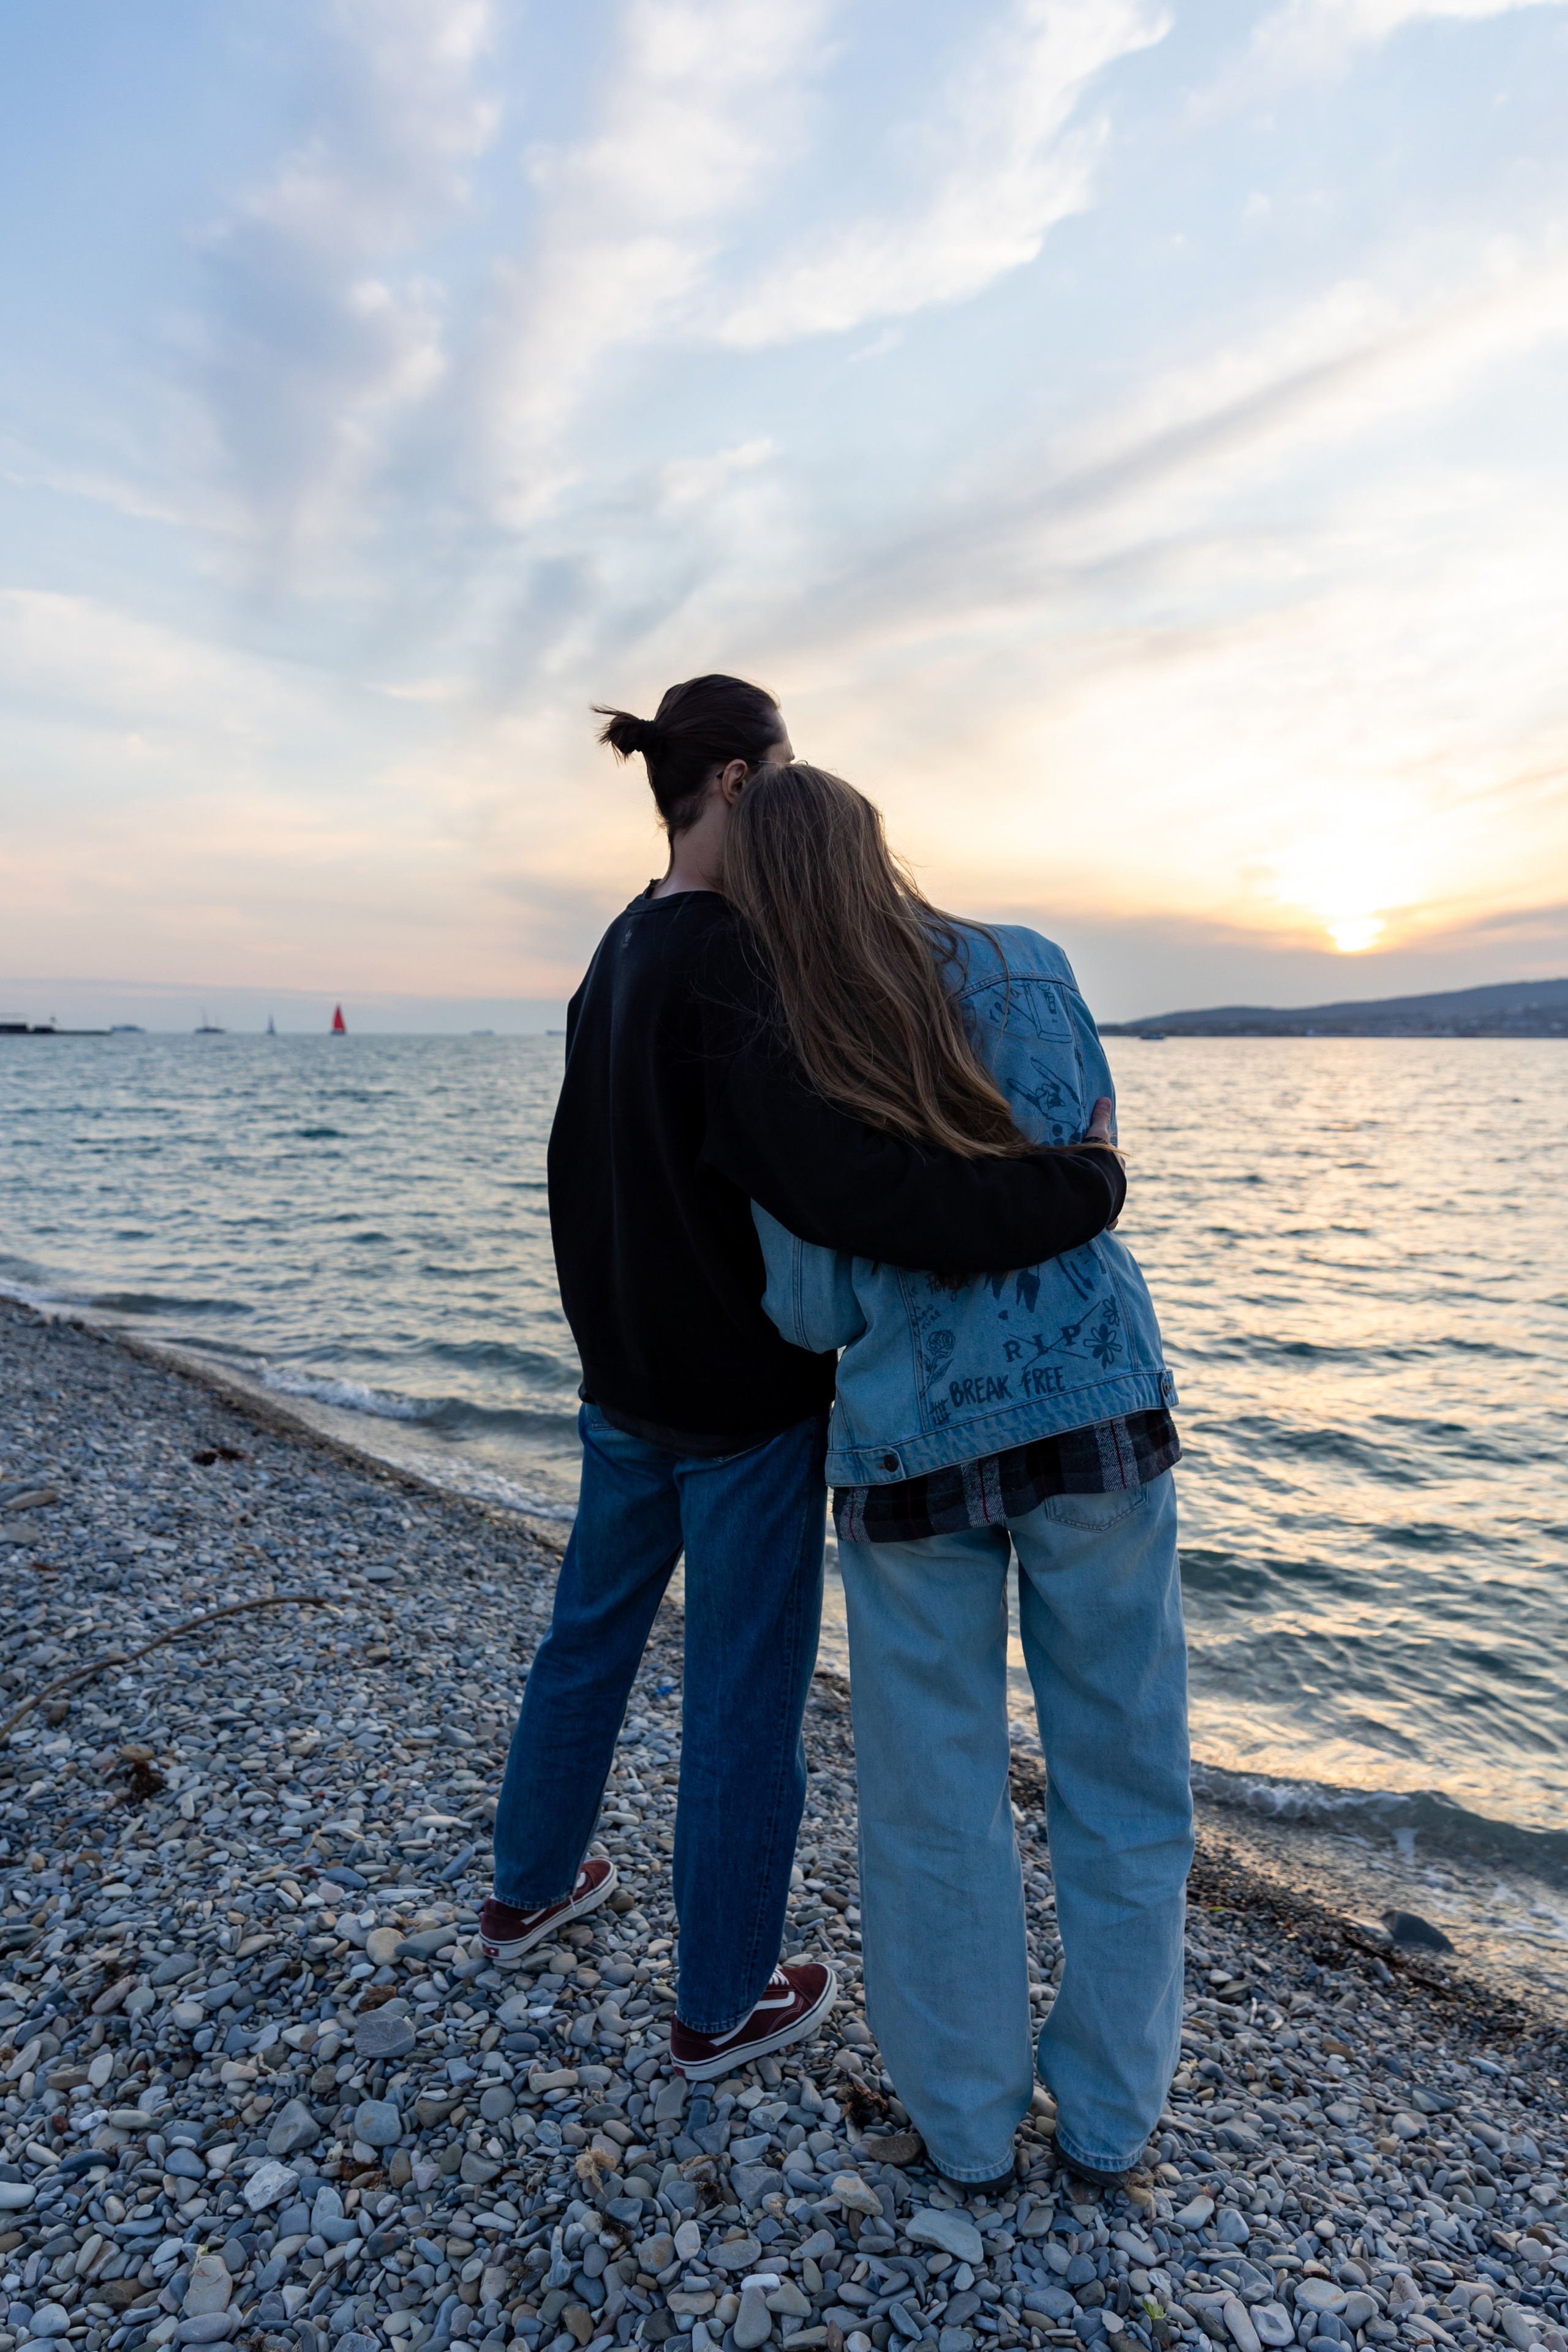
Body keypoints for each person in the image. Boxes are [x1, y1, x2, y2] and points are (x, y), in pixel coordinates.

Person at [479, 676, 1128, 2081]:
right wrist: (1066, 1195)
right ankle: (719, 2001)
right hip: (732, 1403)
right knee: (740, 1694)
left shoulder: (622, 941)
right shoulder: (726, 963)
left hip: (622, 1383)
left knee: (585, 1639)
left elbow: (577, 1168)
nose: (792, 788)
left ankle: (525, 1889)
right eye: (783, 768)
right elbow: (846, 1189)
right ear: (735, 783)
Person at [730, 761, 1190, 2190]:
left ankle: (967, 2128)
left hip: (912, 1443)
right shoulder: (1032, 963)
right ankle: (1112, 2118)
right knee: (1125, 1773)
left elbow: (805, 1309)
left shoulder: (787, 1032)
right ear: (878, 849)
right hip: (1098, 1402)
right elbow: (1094, 1148)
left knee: (933, 1793)